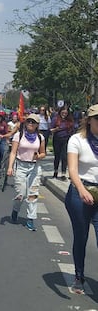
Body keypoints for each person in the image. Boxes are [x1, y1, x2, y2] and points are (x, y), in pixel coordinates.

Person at [65, 104, 98, 294]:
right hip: (80, 192)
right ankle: (79, 275)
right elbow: (72, 170)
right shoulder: (77, 140)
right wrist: (81, 189)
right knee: (81, 236)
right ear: (89, 120)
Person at [7, 114, 46, 231]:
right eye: (29, 121)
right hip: (21, 166)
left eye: (33, 122)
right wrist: (10, 167)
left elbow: (43, 153)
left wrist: (39, 156)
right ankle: (15, 210)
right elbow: (13, 152)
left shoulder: (40, 137)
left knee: (33, 194)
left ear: (37, 125)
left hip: (34, 167)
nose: (30, 123)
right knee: (21, 194)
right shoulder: (18, 136)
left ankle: (31, 219)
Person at [51, 106, 74, 180]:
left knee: (64, 157)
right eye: (63, 112)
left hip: (66, 139)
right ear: (60, 112)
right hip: (57, 139)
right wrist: (56, 129)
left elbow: (72, 129)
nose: (64, 113)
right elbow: (51, 129)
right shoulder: (55, 119)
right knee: (57, 156)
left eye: (66, 112)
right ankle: (55, 171)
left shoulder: (69, 120)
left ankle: (63, 173)